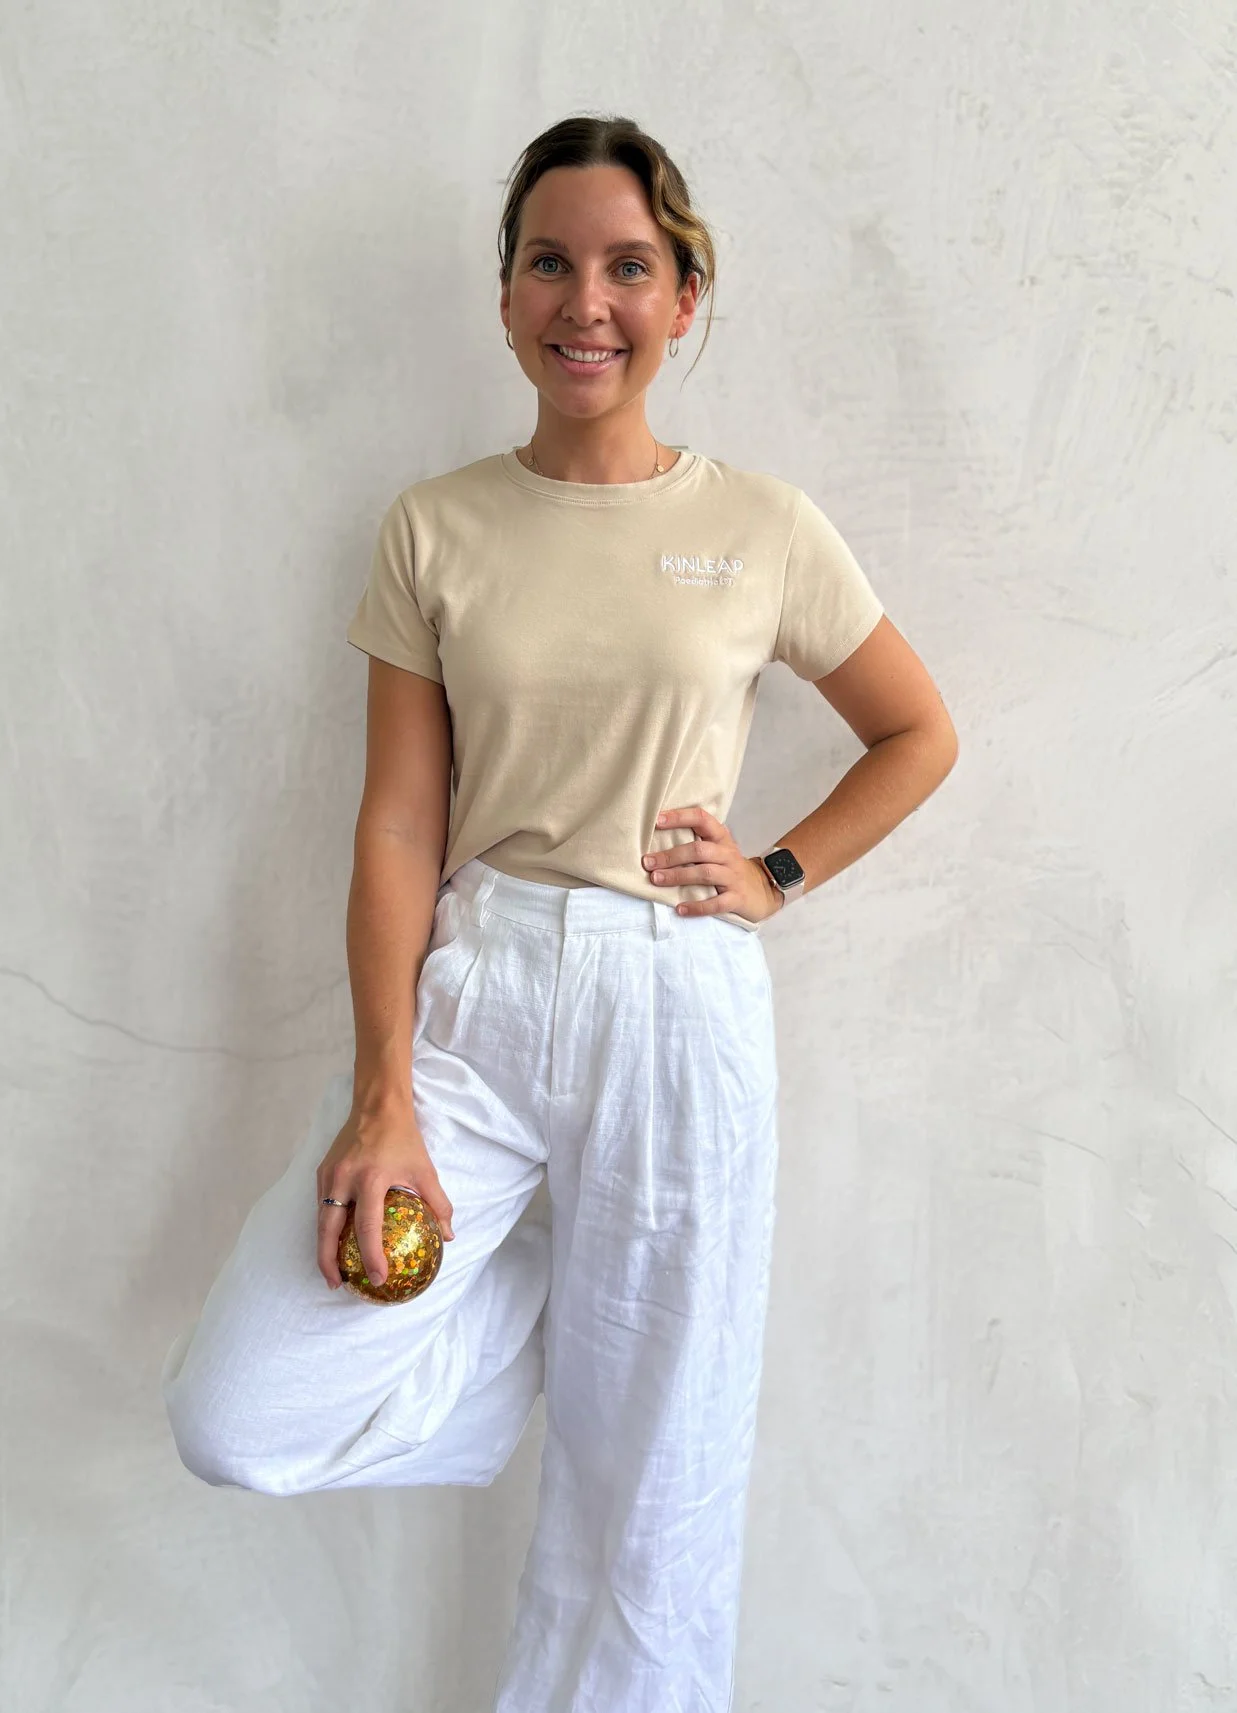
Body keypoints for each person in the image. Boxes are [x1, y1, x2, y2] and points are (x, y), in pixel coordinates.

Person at [161, 113, 958, 1713]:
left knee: (652, 1516)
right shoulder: (435, 525)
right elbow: (399, 822)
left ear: (683, 295)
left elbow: (916, 730)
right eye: (550, 262)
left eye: (627, 268)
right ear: (507, 292)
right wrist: (385, 1093)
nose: (584, 301)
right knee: (242, 1412)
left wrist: (778, 873)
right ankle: (562, 1341)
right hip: (486, 989)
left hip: (678, 1001)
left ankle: (617, 1378)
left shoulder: (762, 526)